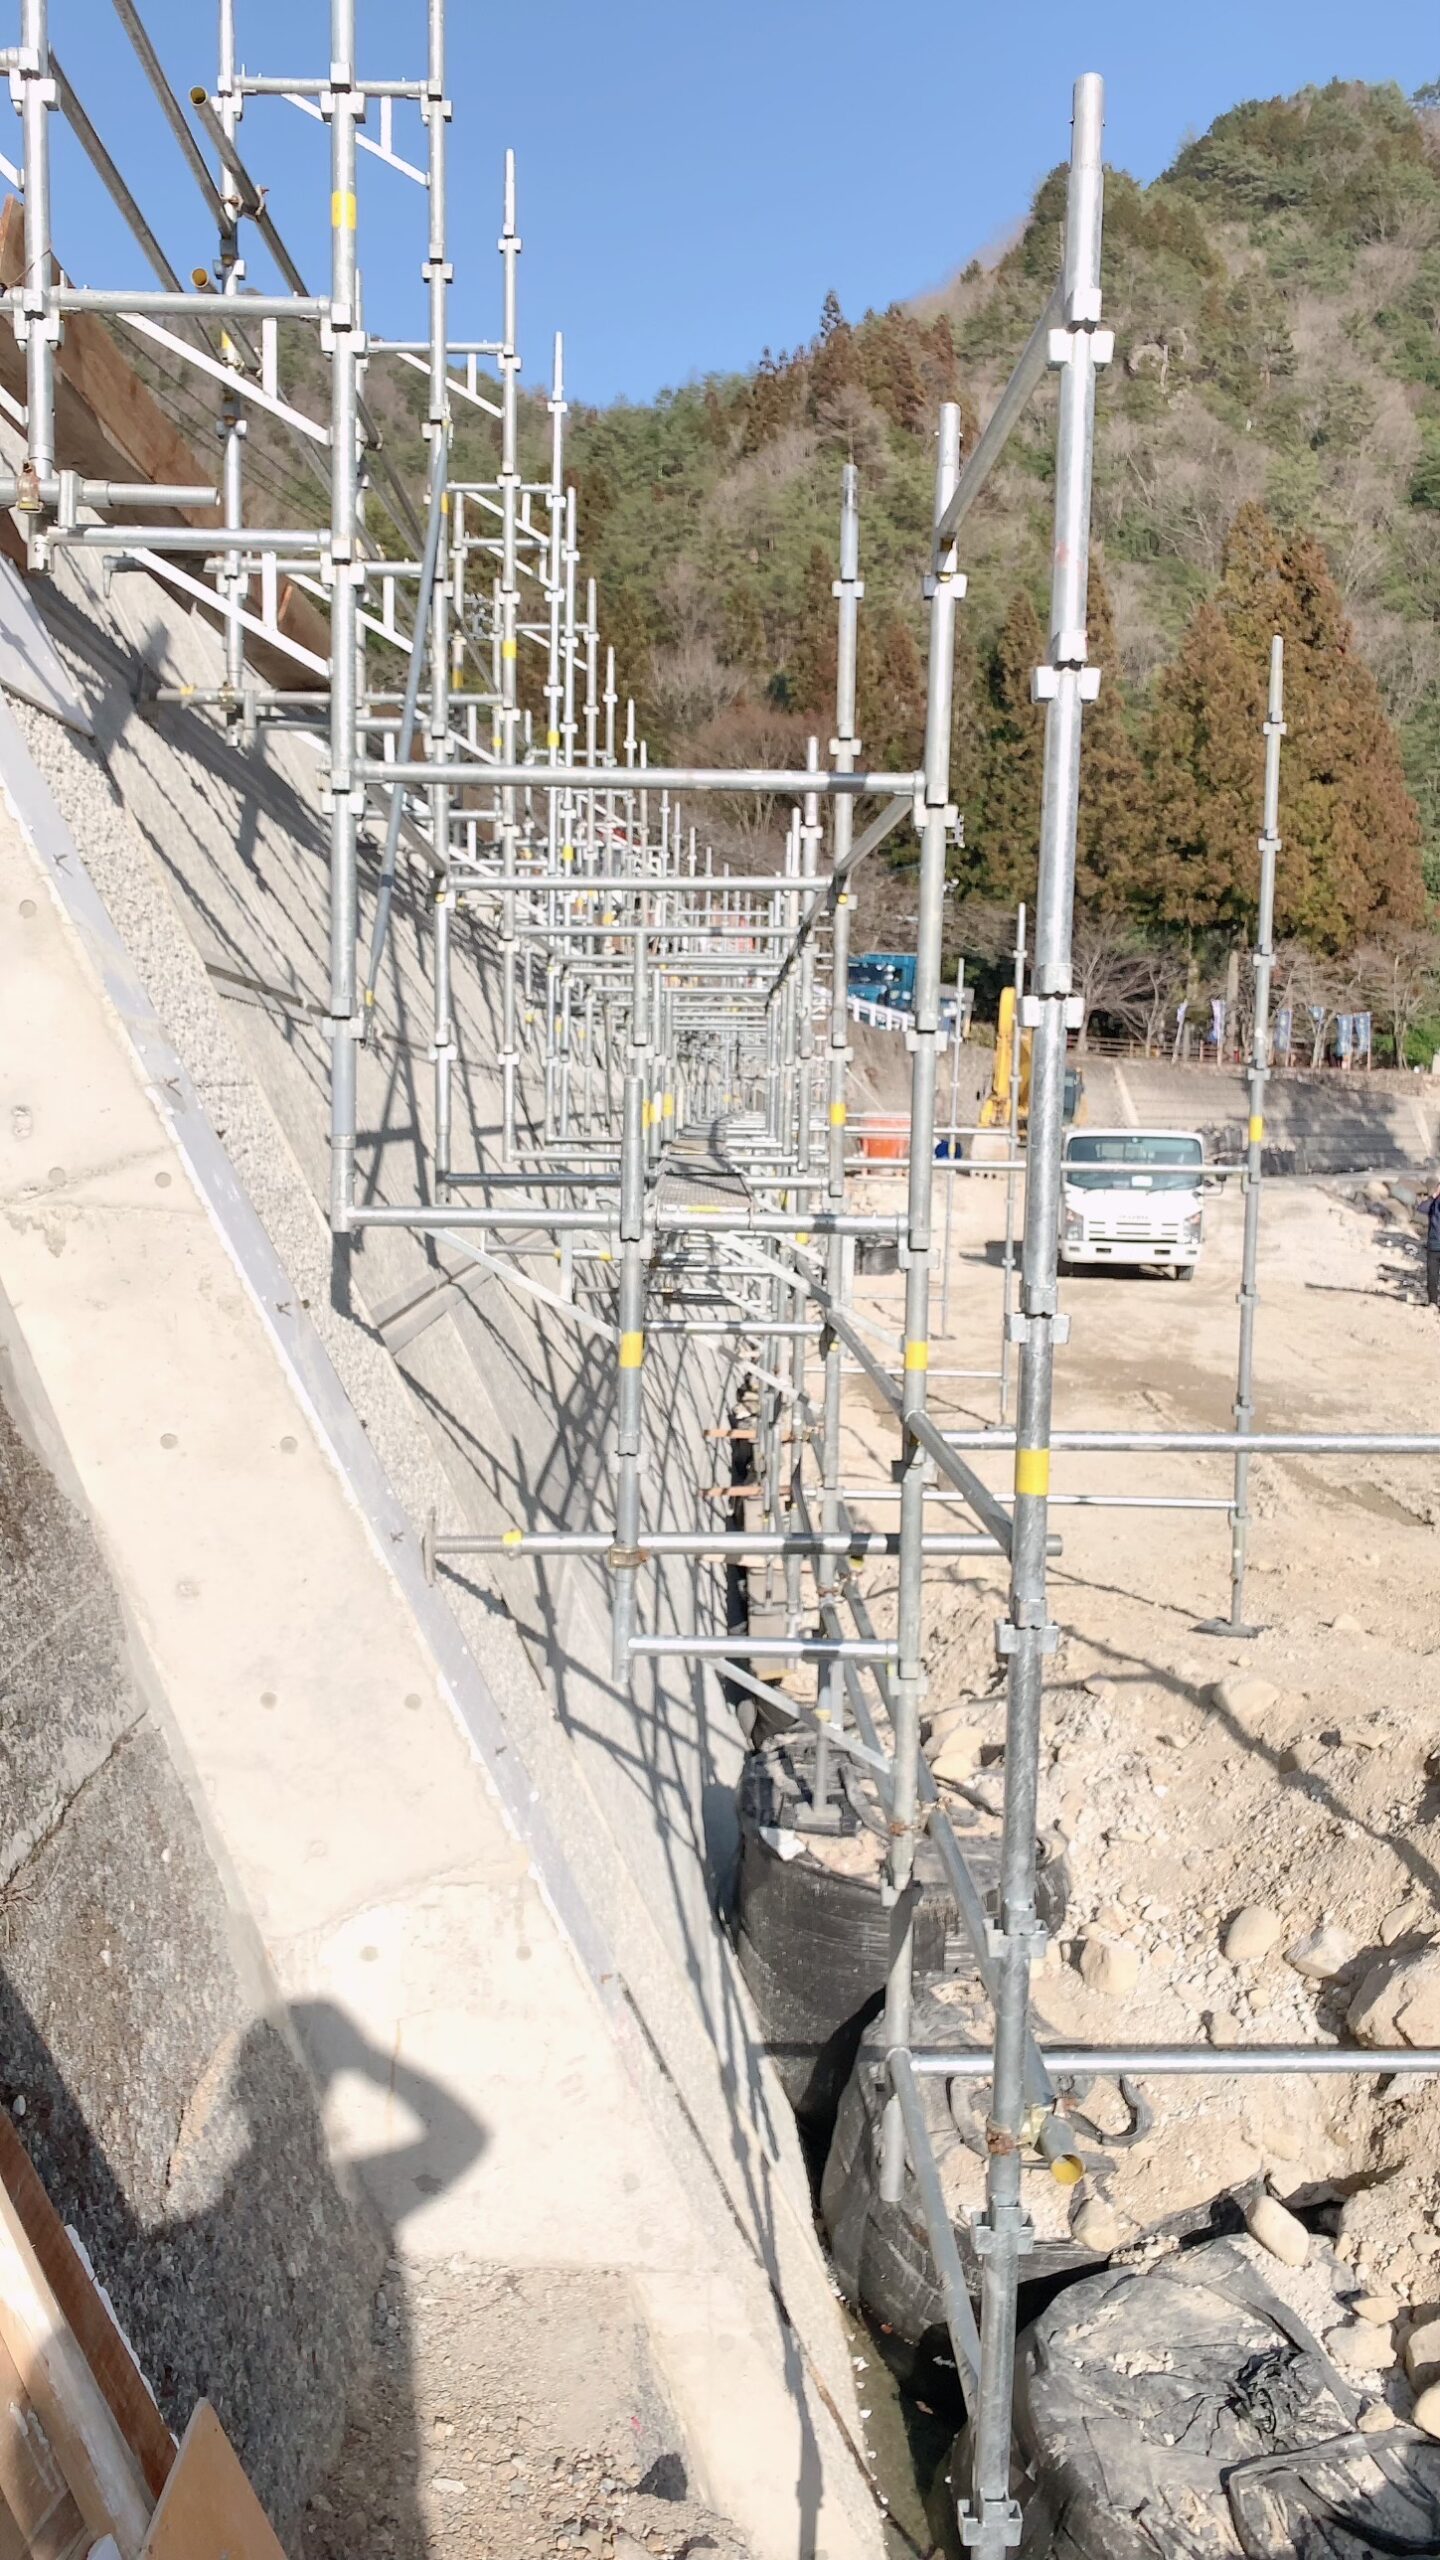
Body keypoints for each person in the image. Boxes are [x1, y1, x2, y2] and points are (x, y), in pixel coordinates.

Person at [1427, 1183, 1440, 1310]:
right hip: (1433, 1245)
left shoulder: (1436, 1204)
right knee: (1432, 1275)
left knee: (1433, 1275)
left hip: (1434, 1244)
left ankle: (1433, 1302)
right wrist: (1433, 1197)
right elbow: (1422, 1208)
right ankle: (1433, 1301)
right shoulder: (1433, 1204)